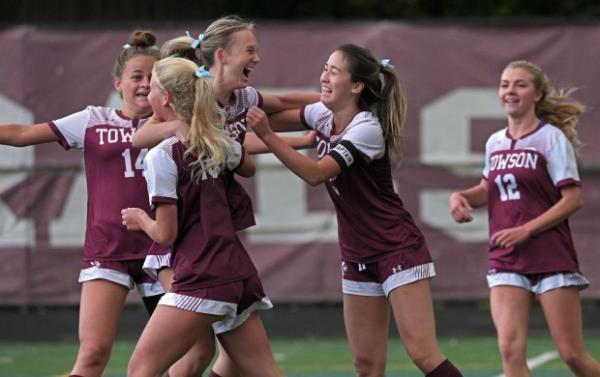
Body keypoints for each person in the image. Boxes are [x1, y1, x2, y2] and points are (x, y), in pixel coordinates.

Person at [247, 44, 463, 377]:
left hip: (397, 249)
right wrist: (236, 102)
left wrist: (265, 134)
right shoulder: (323, 114)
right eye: (324, 68)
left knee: (423, 354)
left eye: (334, 71)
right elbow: (279, 110)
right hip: (357, 254)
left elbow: (316, 173)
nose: (324, 76)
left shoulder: (367, 129)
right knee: (366, 365)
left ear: (357, 86)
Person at [134, 16, 318, 377]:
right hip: (225, 260)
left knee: (158, 364)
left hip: (196, 259)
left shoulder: (224, 113)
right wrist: (195, 130)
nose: (257, 59)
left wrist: (331, 108)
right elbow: (141, 136)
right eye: (250, 50)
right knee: (221, 357)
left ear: (166, 97)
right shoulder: (202, 134)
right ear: (220, 56)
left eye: (152, 88)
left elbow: (280, 107)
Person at [0, 30, 164, 377]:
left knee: (188, 356)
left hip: (162, 250)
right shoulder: (93, 120)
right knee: (92, 354)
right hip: (108, 251)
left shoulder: (173, 124)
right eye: (137, 76)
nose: (145, 84)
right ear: (117, 82)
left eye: (153, 77)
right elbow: (23, 134)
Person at [121, 56, 282, 377]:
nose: (148, 94)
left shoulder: (162, 155)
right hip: (237, 272)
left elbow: (166, 234)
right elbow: (248, 167)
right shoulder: (218, 140)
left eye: (152, 88)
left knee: (141, 370)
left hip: (201, 275)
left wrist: (140, 219)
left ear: (165, 97)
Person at [449, 60, 600, 377]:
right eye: (505, 84)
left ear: (538, 95)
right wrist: (461, 197)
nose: (510, 91)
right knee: (509, 351)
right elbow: (487, 188)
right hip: (507, 258)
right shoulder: (495, 142)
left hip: (550, 256)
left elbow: (572, 198)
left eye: (520, 84)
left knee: (572, 355)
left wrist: (526, 230)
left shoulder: (551, 139)